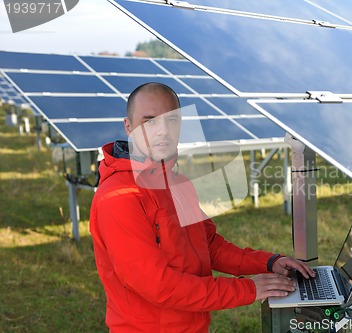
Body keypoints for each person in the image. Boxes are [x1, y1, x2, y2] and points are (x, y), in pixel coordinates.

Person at [89, 82, 314, 333]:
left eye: (171, 120)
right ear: (129, 127)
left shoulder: (178, 182)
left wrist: (270, 262)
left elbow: (209, 246)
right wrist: (248, 288)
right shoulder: (119, 197)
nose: (162, 130)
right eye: (149, 121)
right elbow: (159, 286)